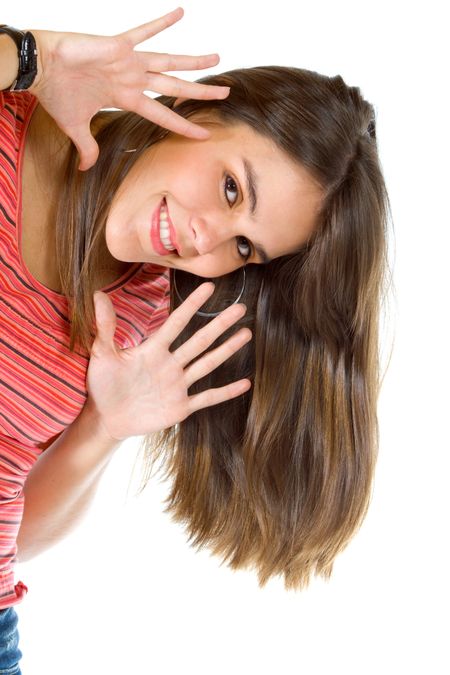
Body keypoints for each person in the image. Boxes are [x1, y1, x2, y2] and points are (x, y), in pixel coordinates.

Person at [0, 8, 390, 669]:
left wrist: (105, 424)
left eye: (245, 246)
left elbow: (21, 533)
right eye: (231, 187)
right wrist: (29, 58)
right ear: (192, 109)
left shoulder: (144, 311)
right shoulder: (16, 103)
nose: (207, 237)